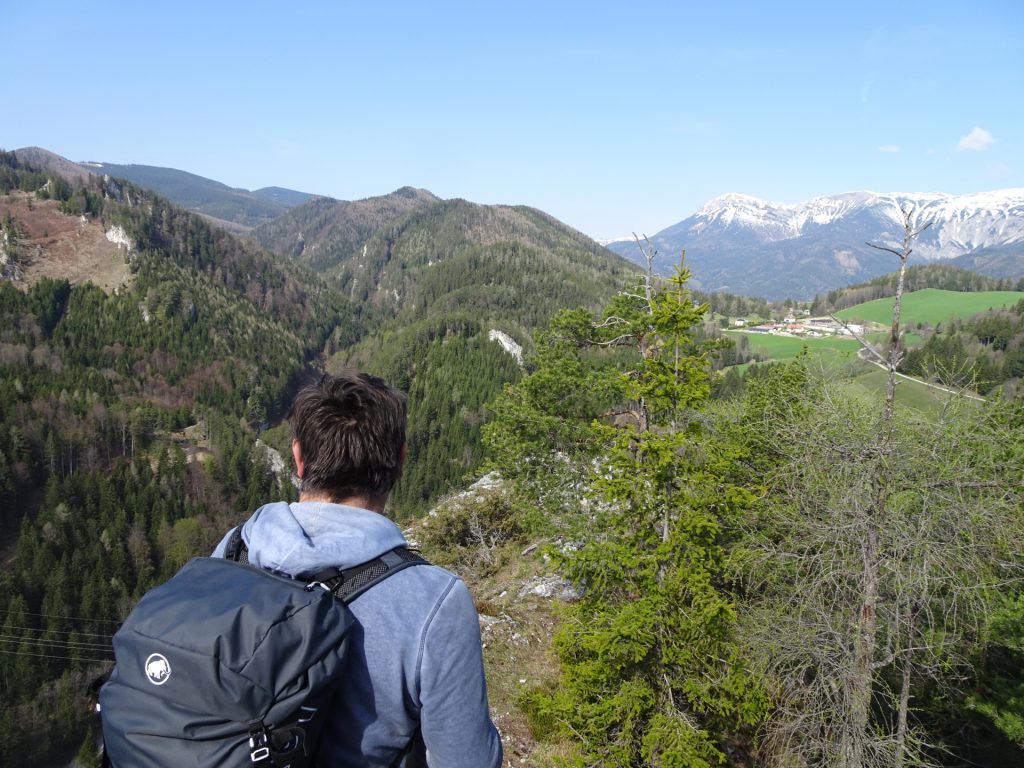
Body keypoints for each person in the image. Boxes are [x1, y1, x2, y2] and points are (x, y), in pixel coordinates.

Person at [212, 370, 503, 768]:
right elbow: (466, 761)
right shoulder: (434, 602)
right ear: (400, 460)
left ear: (298, 458)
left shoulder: (235, 548)